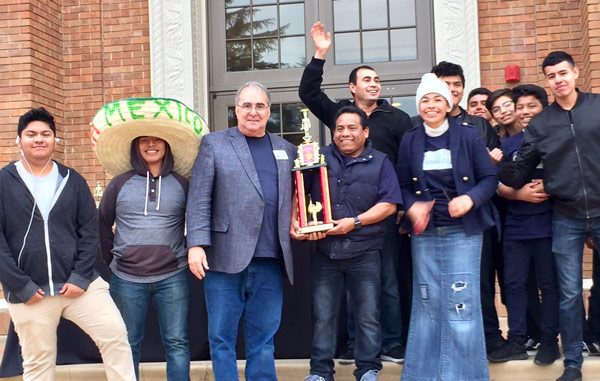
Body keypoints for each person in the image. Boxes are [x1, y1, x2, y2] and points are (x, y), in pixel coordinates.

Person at [299, 21, 411, 364]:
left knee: (389, 281)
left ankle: (391, 344)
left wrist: (404, 206)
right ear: (352, 88)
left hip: (381, 213)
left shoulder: (398, 117)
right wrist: (320, 55)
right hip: (339, 217)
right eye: (367, 80)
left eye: (377, 80)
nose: (374, 84)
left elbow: (406, 164)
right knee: (347, 290)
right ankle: (352, 346)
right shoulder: (340, 115)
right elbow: (309, 94)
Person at [0, 107, 135, 381]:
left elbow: (89, 232)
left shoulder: (72, 180)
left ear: (54, 140)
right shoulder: (3, 182)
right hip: (31, 291)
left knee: (116, 337)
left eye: (46, 134)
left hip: (79, 286)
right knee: (38, 364)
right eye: (32, 134)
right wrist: (20, 285)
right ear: (19, 140)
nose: (39, 139)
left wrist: (80, 276)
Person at [499, 50, 600, 381]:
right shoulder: (541, 124)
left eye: (562, 73)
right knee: (568, 291)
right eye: (552, 76)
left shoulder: (597, 107)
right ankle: (572, 363)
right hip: (566, 215)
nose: (558, 80)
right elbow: (520, 168)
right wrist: (491, 166)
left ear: (575, 73)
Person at [186, 82, 297, 381]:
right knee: (221, 338)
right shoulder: (214, 144)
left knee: (263, 340)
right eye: (246, 105)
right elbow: (199, 197)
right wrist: (195, 244)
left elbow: (295, 197)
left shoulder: (286, 149)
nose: (253, 112)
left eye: (260, 106)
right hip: (224, 258)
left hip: (271, 258)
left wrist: (297, 220)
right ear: (236, 110)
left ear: (268, 111)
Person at [95, 99, 205, 381]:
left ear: (166, 145)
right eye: (144, 140)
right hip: (126, 278)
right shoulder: (119, 183)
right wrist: (111, 259)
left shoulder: (182, 183)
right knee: (128, 342)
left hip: (173, 276)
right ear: (136, 146)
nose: (151, 145)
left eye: (157, 139)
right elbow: (102, 223)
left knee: (177, 343)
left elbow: (195, 222)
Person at [292, 106, 402, 381]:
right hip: (325, 252)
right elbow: (299, 191)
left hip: (364, 251)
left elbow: (388, 205)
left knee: (367, 315)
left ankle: (367, 369)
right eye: (340, 128)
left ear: (365, 132)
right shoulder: (318, 157)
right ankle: (319, 372)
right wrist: (298, 221)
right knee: (324, 316)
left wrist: (354, 222)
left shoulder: (380, 161)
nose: (345, 133)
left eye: (352, 128)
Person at [398, 73, 496, 381]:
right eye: (425, 100)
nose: (430, 105)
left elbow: (489, 179)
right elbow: (402, 184)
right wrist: (412, 205)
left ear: (449, 102)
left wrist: (470, 200)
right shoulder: (410, 139)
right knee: (426, 305)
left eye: (437, 98)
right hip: (425, 236)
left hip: (463, 234)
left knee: (461, 305)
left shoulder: (467, 136)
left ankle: (465, 376)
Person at [430, 60, 506, 357]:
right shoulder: (417, 125)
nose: (452, 90)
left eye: (456, 85)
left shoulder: (478, 124)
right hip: (437, 219)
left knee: (481, 280)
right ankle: (448, 343)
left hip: (475, 216)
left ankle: (490, 338)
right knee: (440, 284)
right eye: (445, 84)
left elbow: (489, 170)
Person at [489, 85, 560, 365]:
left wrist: (550, 186)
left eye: (531, 106)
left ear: (543, 107)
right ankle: (517, 340)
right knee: (514, 284)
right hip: (516, 227)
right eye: (520, 107)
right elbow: (499, 184)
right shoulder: (505, 146)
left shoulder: (554, 138)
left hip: (548, 225)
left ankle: (549, 340)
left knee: (549, 285)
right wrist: (517, 192)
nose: (524, 112)